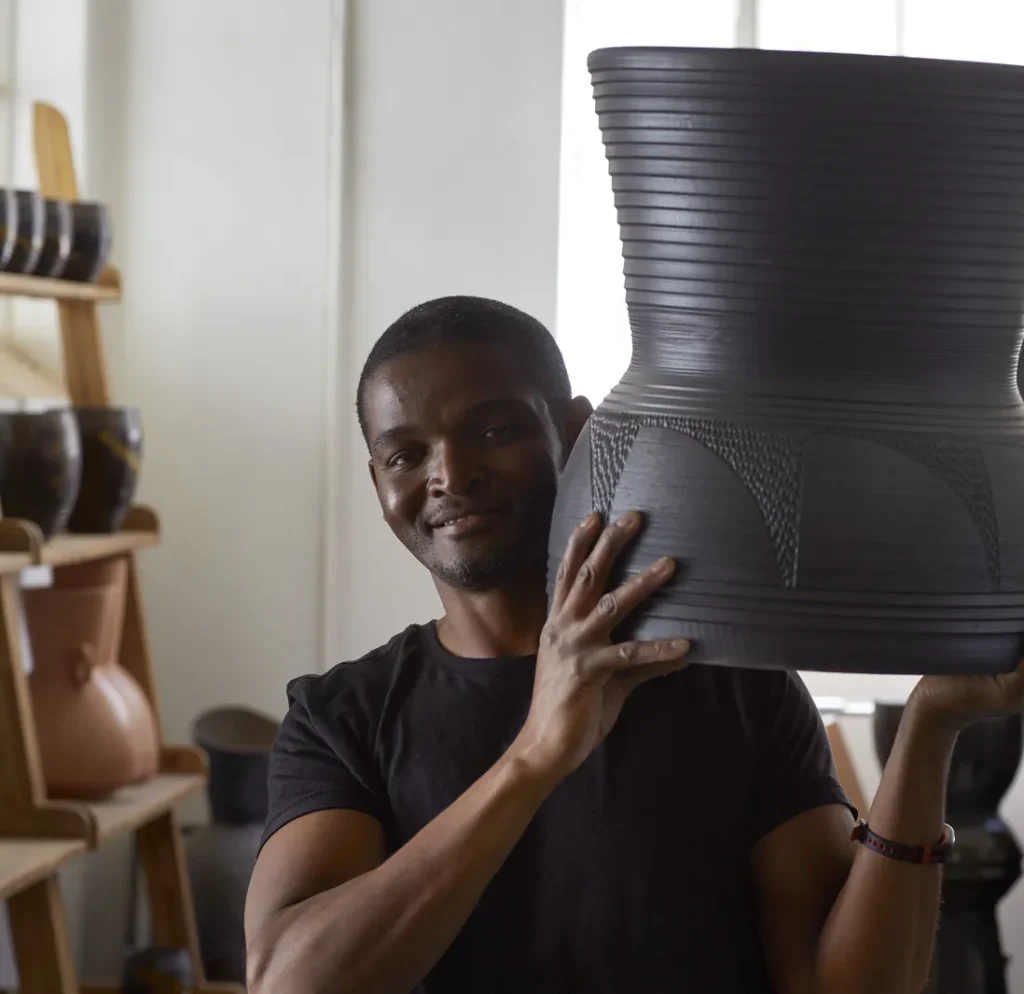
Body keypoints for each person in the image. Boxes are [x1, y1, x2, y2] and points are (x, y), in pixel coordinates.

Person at [244, 294, 1024, 994]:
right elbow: (289, 982)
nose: (450, 474)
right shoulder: (341, 716)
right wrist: (536, 756)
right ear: (379, 483)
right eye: (405, 454)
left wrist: (930, 727)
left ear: (575, 432)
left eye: (493, 429)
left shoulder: (729, 679)